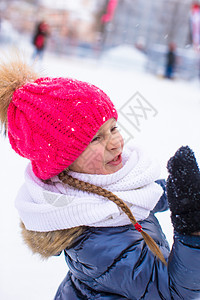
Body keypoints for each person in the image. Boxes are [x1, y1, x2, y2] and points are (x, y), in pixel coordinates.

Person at [0, 57, 200, 300]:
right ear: (63, 163)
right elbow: (173, 293)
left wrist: (177, 192)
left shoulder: (96, 191)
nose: (116, 143)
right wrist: (192, 229)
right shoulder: (98, 244)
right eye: (96, 139)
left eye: (113, 128)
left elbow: (138, 200)